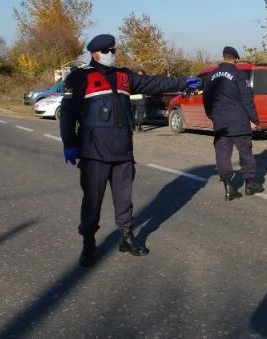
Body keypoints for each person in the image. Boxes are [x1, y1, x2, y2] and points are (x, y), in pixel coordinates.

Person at [60, 34, 200, 267]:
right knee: (93, 201)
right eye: (108, 51)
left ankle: (126, 237)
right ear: (95, 53)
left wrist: (183, 82)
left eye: (114, 51)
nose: (112, 55)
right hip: (94, 151)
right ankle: (88, 242)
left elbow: (155, 83)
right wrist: (69, 144)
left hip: (123, 150)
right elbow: (67, 114)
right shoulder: (79, 78)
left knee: (124, 199)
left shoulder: (124, 76)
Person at [203, 46, 264, 200]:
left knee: (222, 154)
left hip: (220, 123)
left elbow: (206, 99)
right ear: (235, 58)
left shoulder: (210, 76)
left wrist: (211, 115)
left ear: (223, 57)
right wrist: (254, 119)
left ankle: (228, 188)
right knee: (245, 152)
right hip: (239, 121)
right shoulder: (238, 74)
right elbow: (246, 98)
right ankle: (249, 184)